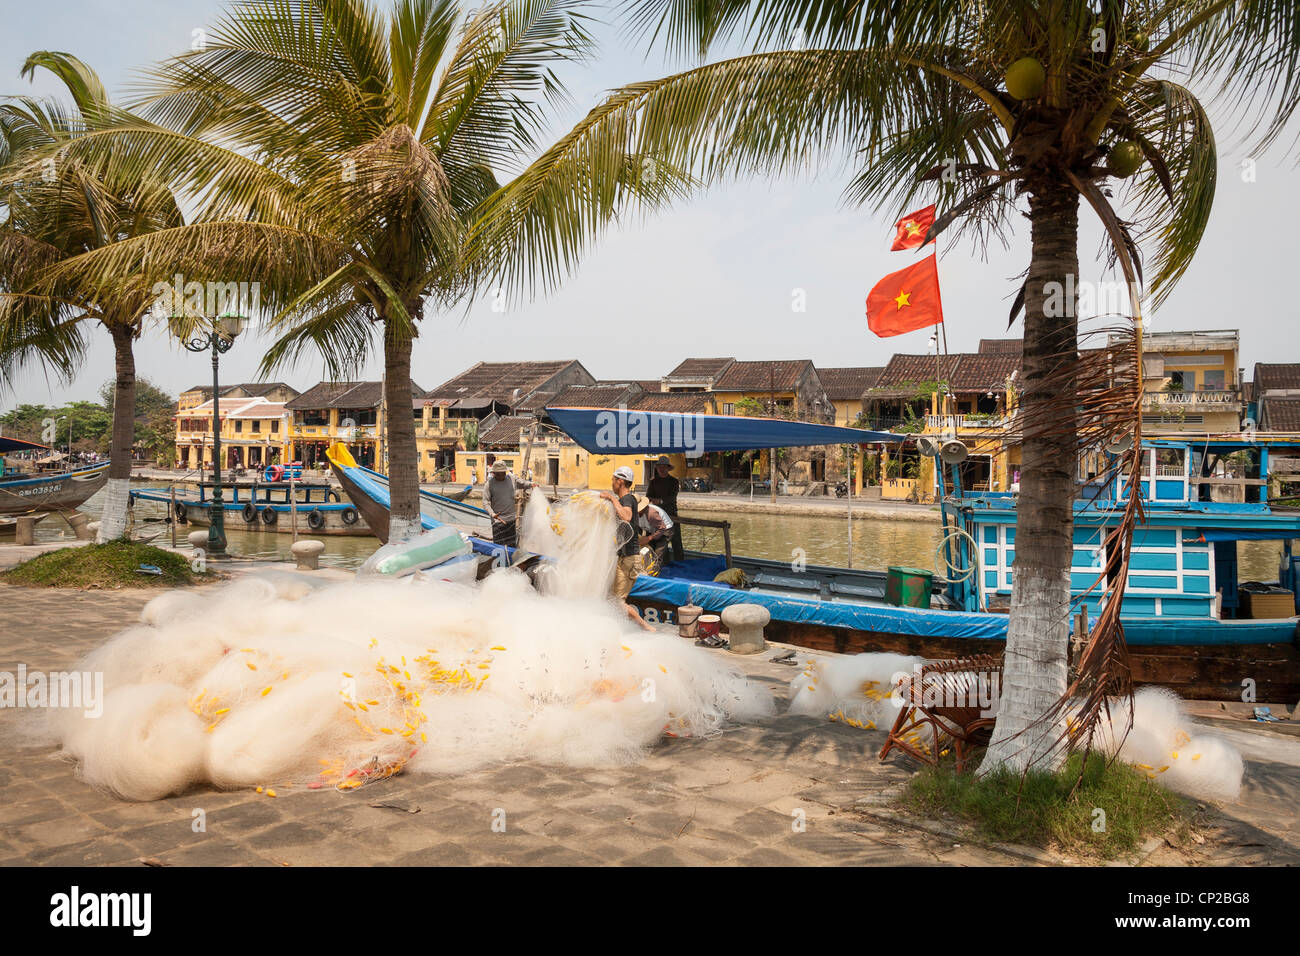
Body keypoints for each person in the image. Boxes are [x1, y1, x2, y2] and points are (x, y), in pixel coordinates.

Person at [600, 465, 654, 632]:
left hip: (629, 558)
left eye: (613, 480)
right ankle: (618, 627)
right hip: (625, 558)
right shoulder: (624, 501)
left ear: (620, 481)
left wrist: (610, 498)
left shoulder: (627, 499)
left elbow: (627, 516)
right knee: (611, 598)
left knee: (616, 601)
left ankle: (646, 628)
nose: (612, 484)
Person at [482, 461, 531, 548]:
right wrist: (493, 514)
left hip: (511, 520)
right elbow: (486, 502)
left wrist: (532, 485)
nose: (501, 476)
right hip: (498, 521)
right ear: (493, 473)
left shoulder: (511, 479)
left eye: (503, 474)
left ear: (505, 472)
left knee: (511, 546)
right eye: (498, 474)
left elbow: (522, 483)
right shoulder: (489, 485)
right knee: (499, 547)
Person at [646, 455, 683, 562]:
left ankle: (680, 563)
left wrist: (660, 500)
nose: (661, 469)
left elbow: (672, 497)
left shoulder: (674, 481)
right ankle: (659, 564)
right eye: (659, 467)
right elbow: (648, 496)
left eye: (664, 467)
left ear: (668, 468)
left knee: (676, 542)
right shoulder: (653, 482)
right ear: (657, 468)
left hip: (671, 514)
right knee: (657, 542)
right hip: (656, 516)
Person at [635, 495, 674, 569]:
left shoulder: (651, 513)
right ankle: (660, 566)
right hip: (652, 529)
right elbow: (638, 527)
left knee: (657, 554)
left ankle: (654, 574)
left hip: (665, 530)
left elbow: (662, 528)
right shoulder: (635, 514)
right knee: (649, 551)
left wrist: (649, 538)